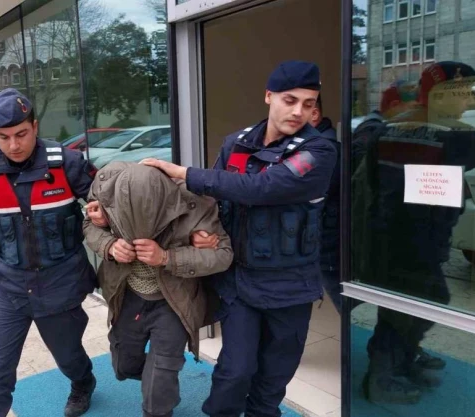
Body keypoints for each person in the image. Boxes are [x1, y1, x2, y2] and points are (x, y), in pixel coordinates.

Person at [141, 60, 337, 417]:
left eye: (308, 104)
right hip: (240, 282)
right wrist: (203, 234)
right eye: (290, 100)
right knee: (235, 371)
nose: (299, 111)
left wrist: (184, 173)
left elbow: (262, 188)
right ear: (269, 96)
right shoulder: (237, 143)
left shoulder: (319, 150)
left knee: (273, 376)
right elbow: (213, 202)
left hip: (291, 286)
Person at [0, 88, 99, 417]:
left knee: (68, 354)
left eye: (21, 134)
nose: (13, 145)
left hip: (60, 282)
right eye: (3, 137)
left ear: (35, 126)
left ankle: (83, 382)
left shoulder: (67, 163)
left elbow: (108, 204)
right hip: (11, 285)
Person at [353, 61, 475, 404]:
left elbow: (371, 183)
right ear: (440, 96)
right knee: (414, 306)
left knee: (406, 306)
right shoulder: (459, 134)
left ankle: (400, 362)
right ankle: (381, 379)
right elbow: (472, 162)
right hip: (421, 240)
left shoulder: (389, 130)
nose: (470, 101)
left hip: (387, 237)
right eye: (464, 93)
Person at [82, 162, 233, 417]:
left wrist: (167, 257)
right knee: (124, 365)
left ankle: (160, 392)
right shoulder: (105, 186)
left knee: (160, 378)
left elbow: (223, 255)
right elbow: (89, 225)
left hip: (173, 300)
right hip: (128, 294)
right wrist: (110, 245)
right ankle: (158, 378)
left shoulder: (196, 202)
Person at [309, 95, 341, 313]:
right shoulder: (319, 145)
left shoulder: (324, 150)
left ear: (314, 114)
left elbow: (313, 197)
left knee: (347, 306)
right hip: (328, 236)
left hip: (329, 240)